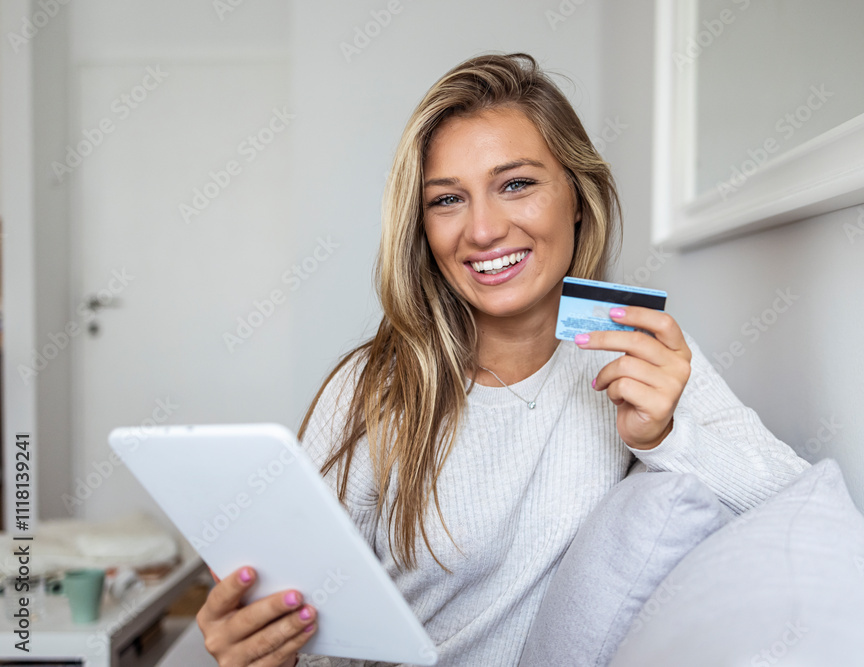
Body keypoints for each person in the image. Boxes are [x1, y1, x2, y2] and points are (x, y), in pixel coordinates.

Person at [196, 52, 810, 667]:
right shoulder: (373, 387)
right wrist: (262, 650)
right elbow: (302, 620)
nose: (483, 230)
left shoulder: (632, 346)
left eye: (516, 184)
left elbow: (798, 512)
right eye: (447, 200)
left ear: (578, 196)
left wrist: (666, 437)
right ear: (421, 225)